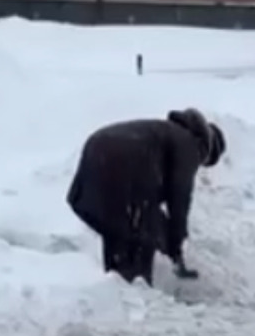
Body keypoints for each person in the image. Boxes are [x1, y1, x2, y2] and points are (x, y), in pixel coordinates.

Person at [66, 108, 226, 286]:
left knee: (120, 236)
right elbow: (179, 198)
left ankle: (115, 293)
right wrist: (176, 247)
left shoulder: (159, 132)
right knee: (142, 236)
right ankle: (136, 297)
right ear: (206, 146)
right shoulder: (187, 142)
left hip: (94, 163)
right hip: (124, 174)